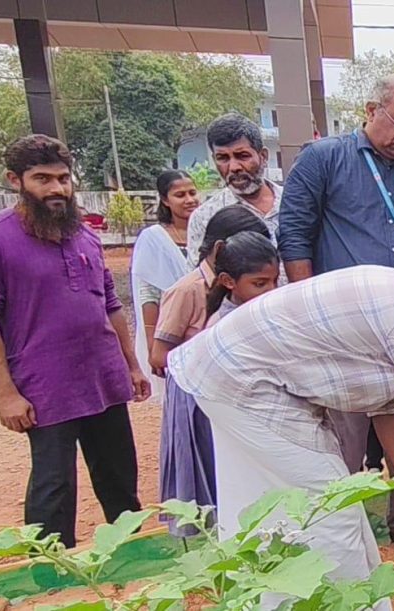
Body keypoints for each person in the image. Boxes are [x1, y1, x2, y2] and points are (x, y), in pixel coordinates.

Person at [167, 270, 394, 606]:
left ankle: (293, 598)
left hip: (240, 376)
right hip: (246, 383)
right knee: (329, 512)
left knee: (302, 507)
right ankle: (330, 601)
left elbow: (388, 405)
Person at [278, 73, 394, 553]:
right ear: (371, 109)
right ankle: (337, 529)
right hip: (341, 333)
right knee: (340, 437)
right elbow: (294, 235)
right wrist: (308, 313)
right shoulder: (324, 160)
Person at [0, 135, 148, 548]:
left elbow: (110, 305)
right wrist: (6, 394)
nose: (56, 189)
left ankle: (134, 558)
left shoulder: (82, 235)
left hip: (103, 378)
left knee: (120, 478)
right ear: (15, 180)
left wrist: (131, 365)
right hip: (45, 386)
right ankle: (52, 576)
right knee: (53, 486)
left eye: (63, 178)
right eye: (42, 179)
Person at [150, 208, 273, 535]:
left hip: (228, 395)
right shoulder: (187, 289)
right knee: (206, 476)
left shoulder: (242, 293)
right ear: (222, 251)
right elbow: (160, 355)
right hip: (197, 397)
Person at [186, 113, 283, 270]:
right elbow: (201, 281)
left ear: (263, 156)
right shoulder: (205, 217)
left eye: (242, 156)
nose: (234, 167)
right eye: (223, 158)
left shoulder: (294, 203)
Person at [132, 170, 199, 397]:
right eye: (180, 195)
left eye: (192, 192)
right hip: (170, 327)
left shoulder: (204, 230)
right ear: (164, 200)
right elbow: (148, 293)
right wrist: (153, 344)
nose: (189, 200)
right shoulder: (154, 238)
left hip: (203, 326)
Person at [205, 232, 280, 325]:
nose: (272, 290)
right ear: (227, 281)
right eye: (260, 284)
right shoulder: (221, 325)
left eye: (276, 281)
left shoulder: (275, 310)